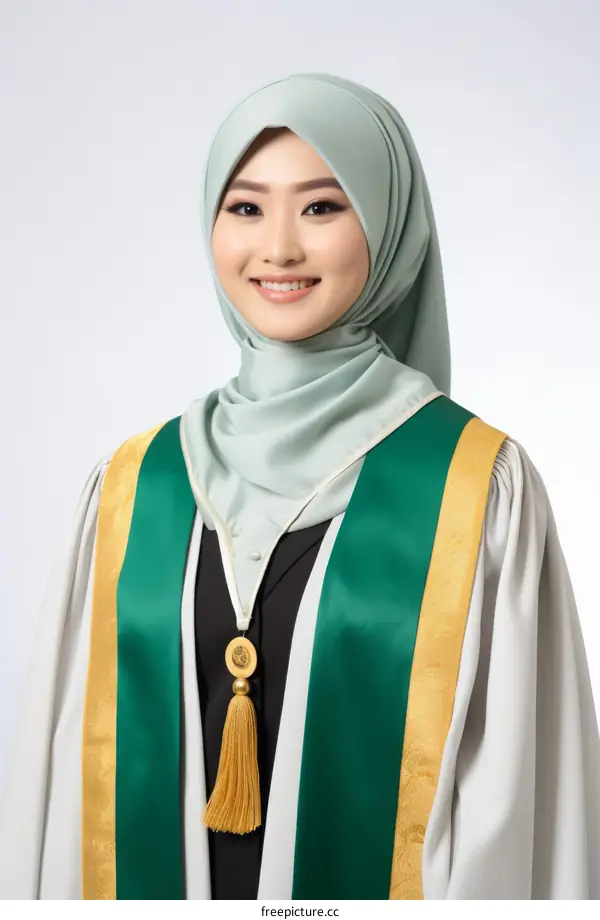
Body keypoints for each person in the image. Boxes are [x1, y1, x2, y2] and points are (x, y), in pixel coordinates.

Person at [0, 72, 598, 901]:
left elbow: (519, 803)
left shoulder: (474, 488)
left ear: (388, 225)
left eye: (321, 206)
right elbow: (67, 800)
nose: (278, 249)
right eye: (246, 207)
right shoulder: (132, 489)